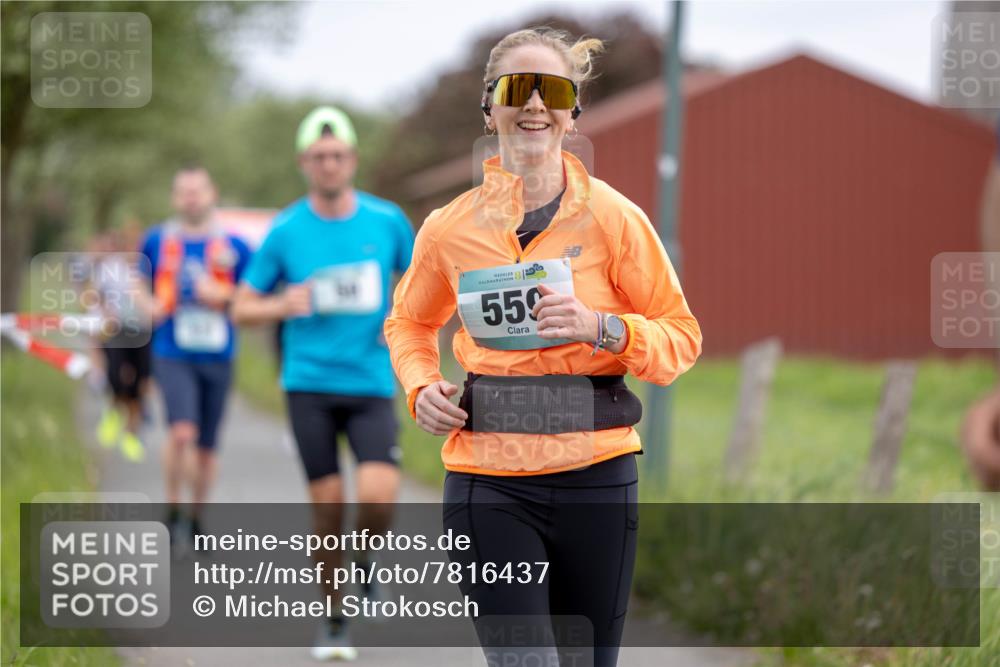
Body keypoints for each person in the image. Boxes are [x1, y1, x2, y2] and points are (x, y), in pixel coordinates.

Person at [384, 28, 702, 667]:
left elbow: (681, 340)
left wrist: (600, 328)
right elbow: (409, 325)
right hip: (487, 480)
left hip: (597, 476)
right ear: (490, 107)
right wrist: (422, 387)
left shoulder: (615, 219)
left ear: (572, 110)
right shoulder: (448, 229)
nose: (533, 104)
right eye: (516, 89)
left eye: (551, 90)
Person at [231, 106, 415, 662]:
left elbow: (420, 283)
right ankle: (333, 618)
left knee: (380, 498)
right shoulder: (286, 230)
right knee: (329, 506)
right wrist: (280, 304)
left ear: (353, 160)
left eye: (338, 156)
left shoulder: (386, 222)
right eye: (319, 157)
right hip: (308, 382)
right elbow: (241, 307)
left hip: (371, 381)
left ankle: (365, 566)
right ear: (303, 163)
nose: (329, 165)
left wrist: (402, 322)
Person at [140, 166, 252, 543]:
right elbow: (138, 280)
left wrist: (222, 296)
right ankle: (173, 507)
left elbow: (253, 297)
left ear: (212, 193)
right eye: (184, 192)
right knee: (182, 432)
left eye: (197, 191)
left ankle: (197, 516)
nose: (191, 198)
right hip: (173, 350)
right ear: (175, 198)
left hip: (219, 354)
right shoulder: (156, 239)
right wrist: (148, 303)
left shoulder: (235, 246)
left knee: (206, 448)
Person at [94, 226, 155, 462]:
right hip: (117, 330)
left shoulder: (151, 268)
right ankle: (113, 412)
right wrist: (106, 312)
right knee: (115, 376)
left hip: (144, 331)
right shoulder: (110, 267)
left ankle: (132, 434)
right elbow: (97, 294)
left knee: (140, 383)